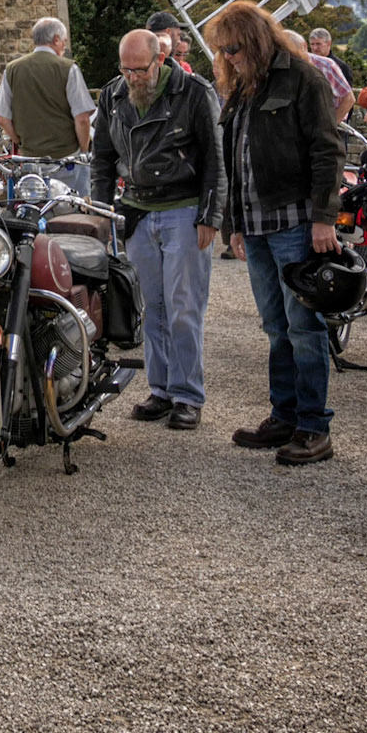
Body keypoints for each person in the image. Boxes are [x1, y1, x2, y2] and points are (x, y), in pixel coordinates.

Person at [209, 0, 345, 467]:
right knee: (274, 326)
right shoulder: (241, 87)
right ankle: (284, 415)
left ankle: (313, 427)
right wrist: (235, 227)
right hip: (257, 227)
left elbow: (328, 150)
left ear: (256, 40)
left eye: (234, 48)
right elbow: (235, 163)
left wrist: (324, 218)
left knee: (305, 328)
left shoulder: (303, 79)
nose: (228, 57)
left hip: (294, 224)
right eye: (222, 50)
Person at [92, 28, 225, 431]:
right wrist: (100, 211)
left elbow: (216, 160)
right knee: (151, 307)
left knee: (184, 306)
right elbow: (101, 158)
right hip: (136, 211)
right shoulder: (113, 96)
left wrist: (210, 216)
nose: (133, 77)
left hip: (183, 208)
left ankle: (187, 395)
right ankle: (161, 389)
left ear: (160, 60)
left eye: (140, 69)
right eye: (125, 69)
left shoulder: (195, 92)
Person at [0, 15, 95, 198]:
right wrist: (84, 150)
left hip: (30, 160)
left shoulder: (12, 69)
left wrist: (21, 142)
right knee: (77, 214)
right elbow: (83, 118)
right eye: (63, 41)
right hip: (66, 159)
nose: (64, 46)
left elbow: (3, 119)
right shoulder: (68, 68)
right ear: (55, 39)